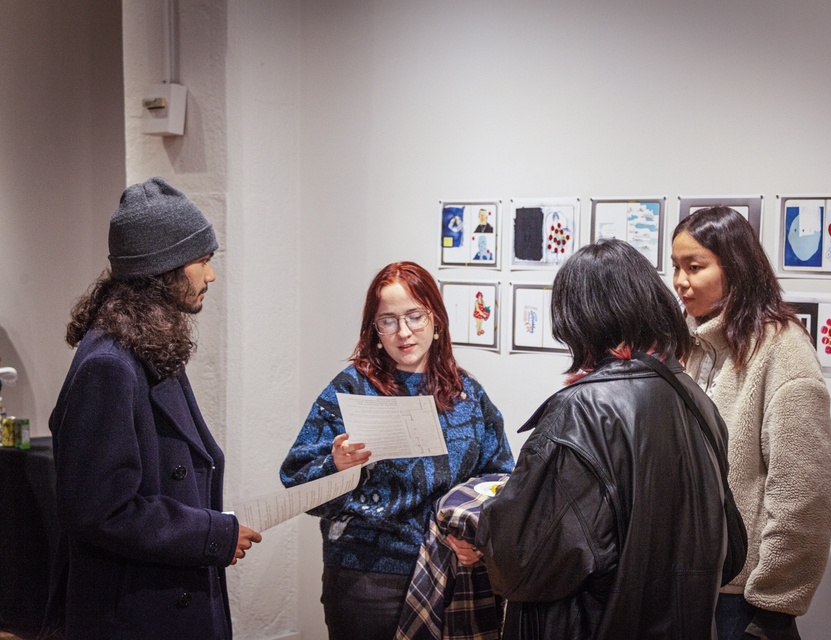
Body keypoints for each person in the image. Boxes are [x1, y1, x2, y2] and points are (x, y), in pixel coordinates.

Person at [468, 238, 730, 639]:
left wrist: (485, 519)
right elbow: (728, 549)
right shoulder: (694, 399)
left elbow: (519, 561)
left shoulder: (582, 411)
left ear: (580, 320)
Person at [42, 177, 262, 639]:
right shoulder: (109, 366)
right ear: (162, 269)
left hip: (159, 598)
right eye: (202, 261)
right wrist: (212, 535)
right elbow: (97, 511)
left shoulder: (145, 346)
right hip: (133, 613)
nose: (211, 275)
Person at [279, 261, 514, 640]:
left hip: (451, 568)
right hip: (369, 578)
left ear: (436, 320)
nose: (403, 332)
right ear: (374, 330)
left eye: (414, 316)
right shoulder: (352, 388)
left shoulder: (467, 393)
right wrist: (336, 465)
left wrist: (478, 538)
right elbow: (297, 484)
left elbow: (500, 480)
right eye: (387, 321)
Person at [671, 207, 831, 640]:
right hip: (686, 584)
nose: (681, 281)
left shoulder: (782, 348)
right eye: (676, 267)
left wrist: (774, 603)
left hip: (743, 600)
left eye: (695, 267)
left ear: (736, 267)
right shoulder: (688, 345)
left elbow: (803, 487)